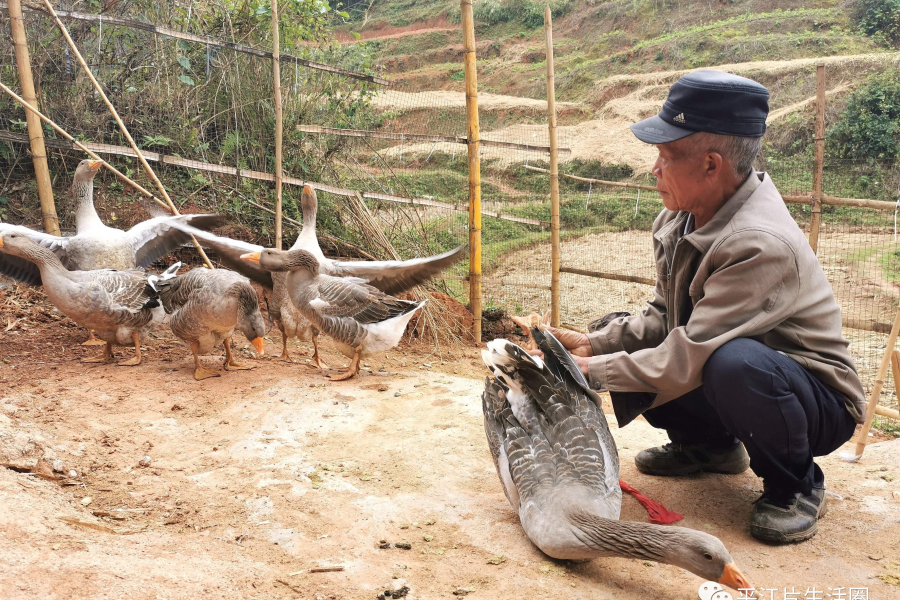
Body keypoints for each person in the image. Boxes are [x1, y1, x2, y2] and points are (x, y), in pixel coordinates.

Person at [537, 70, 865, 544]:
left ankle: (797, 485)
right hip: (731, 368)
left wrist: (585, 369)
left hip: (812, 400)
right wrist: (593, 343)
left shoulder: (758, 242)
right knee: (619, 331)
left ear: (712, 166)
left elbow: (691, 353)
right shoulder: (681, 215)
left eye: (666, 156)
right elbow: (665, 318)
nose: (654, 169)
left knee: (734, 363)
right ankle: (710, 448)